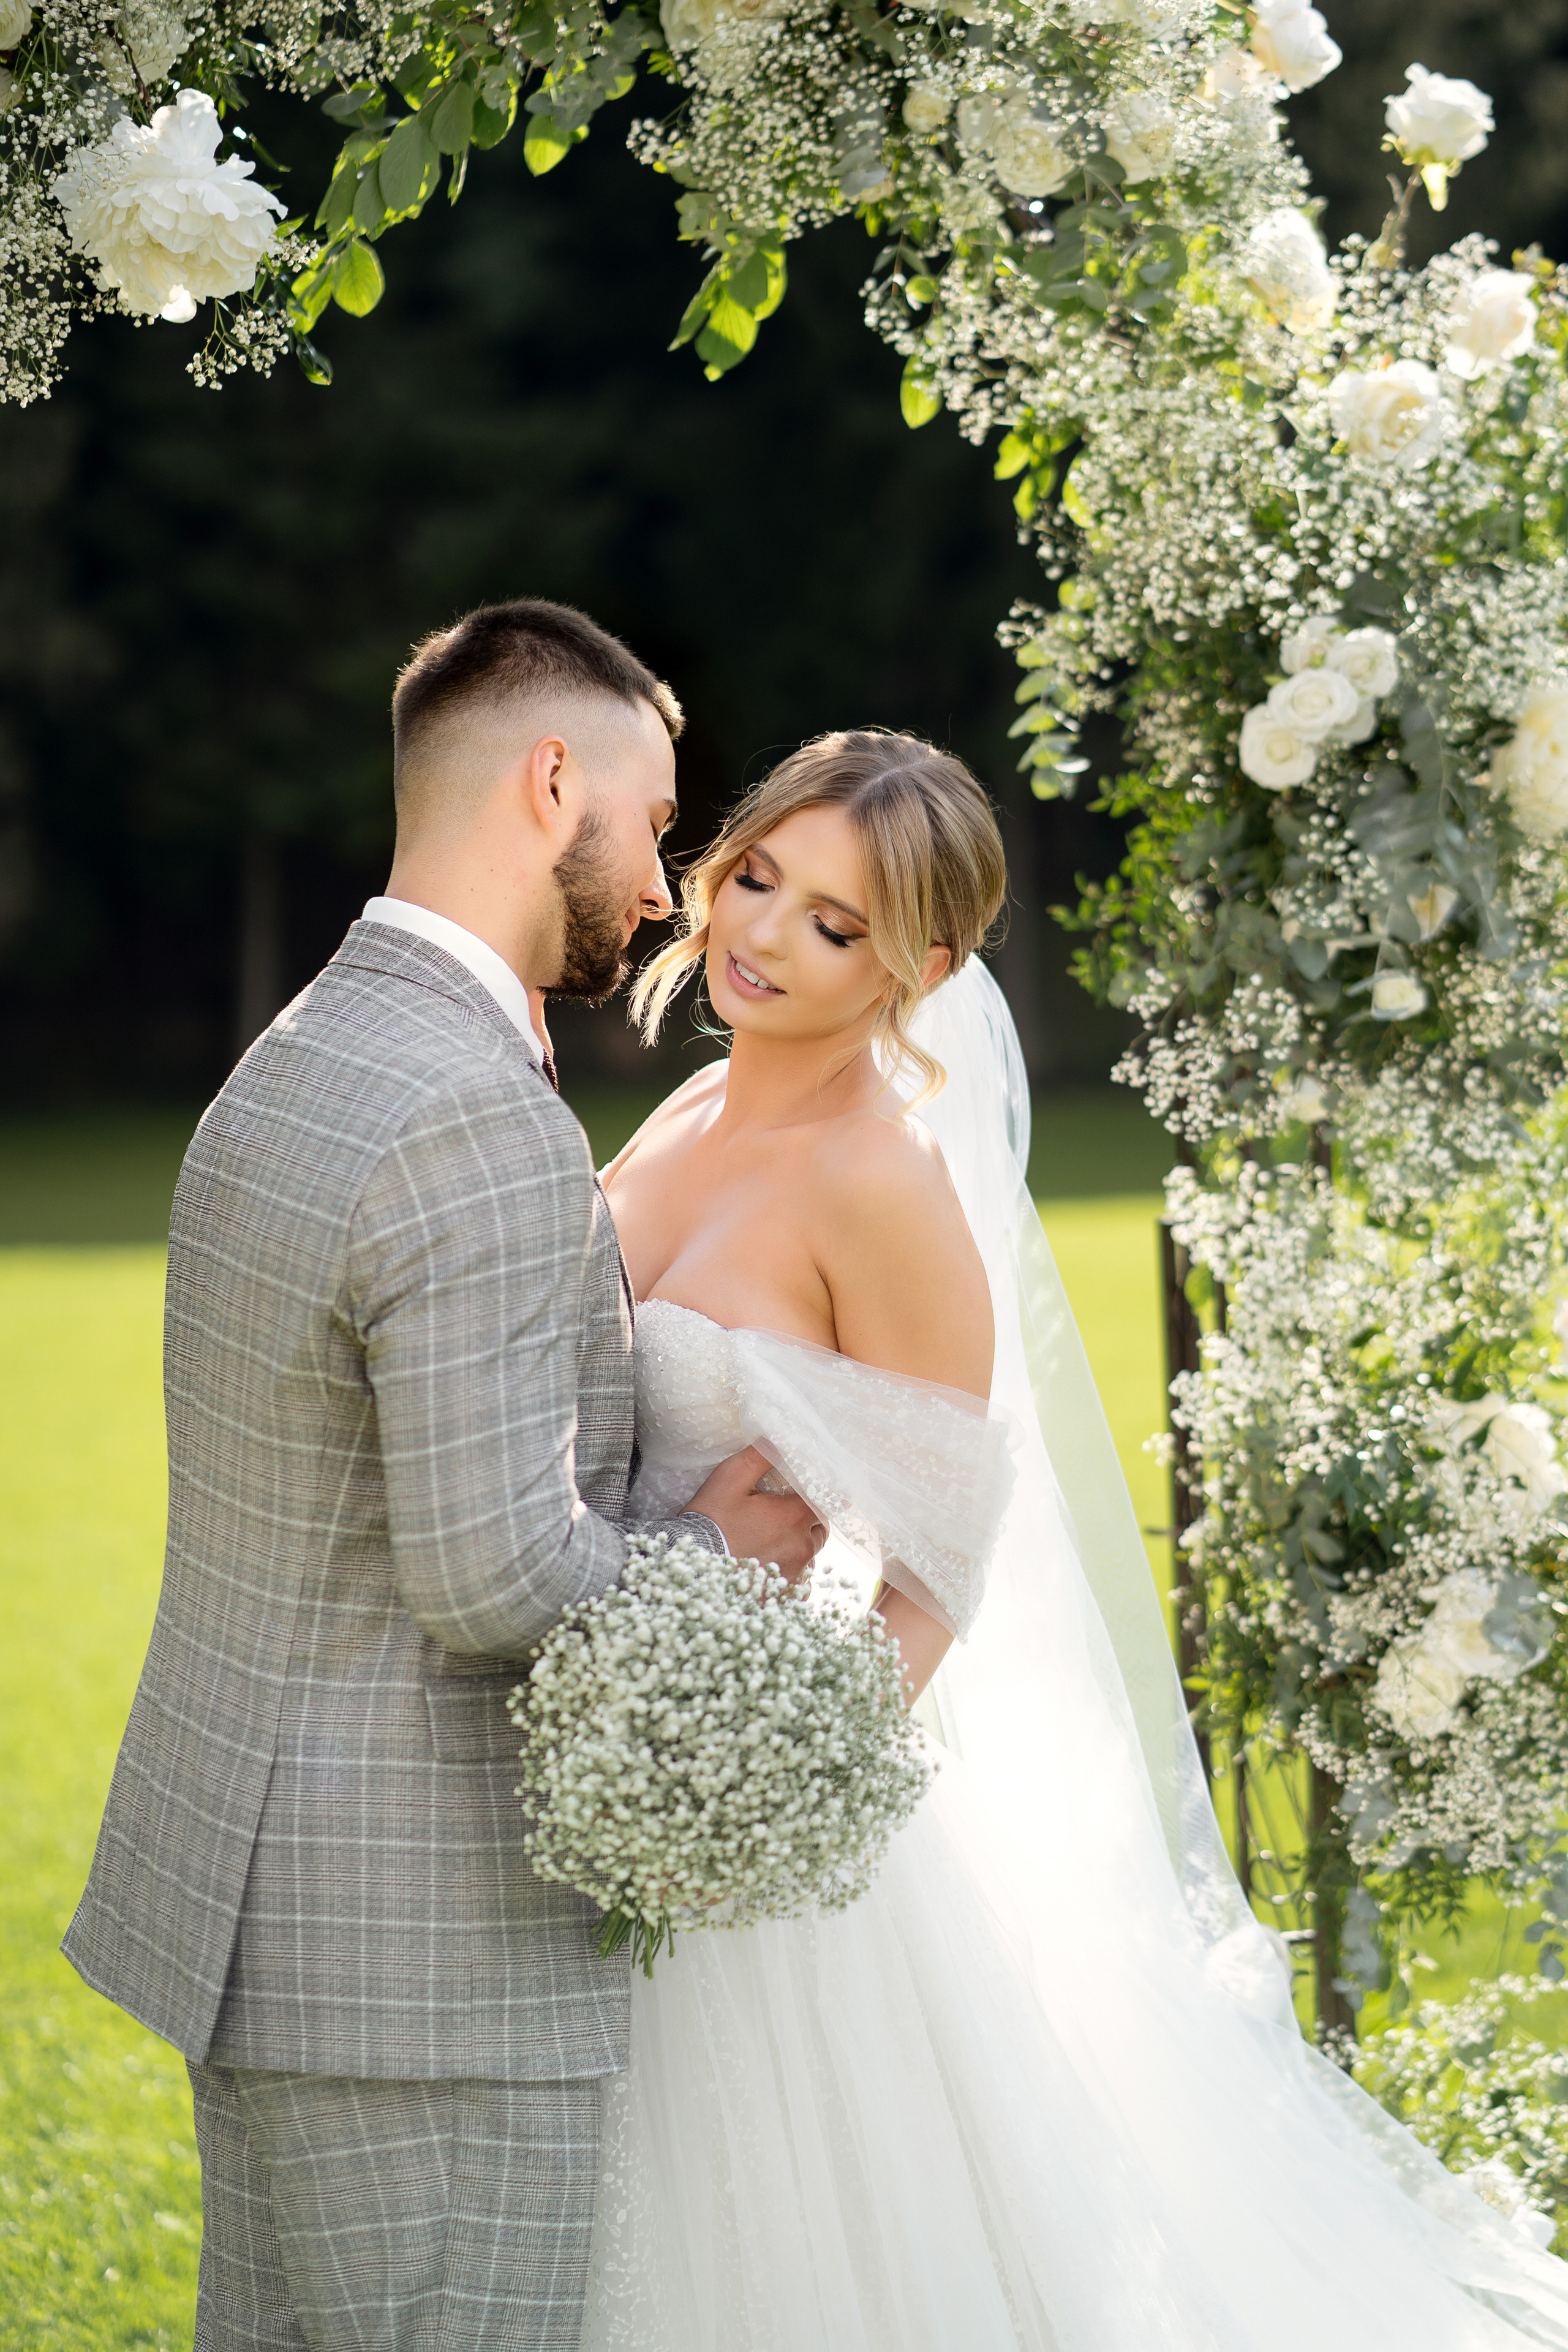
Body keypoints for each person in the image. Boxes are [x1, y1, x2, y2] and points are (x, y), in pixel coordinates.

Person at [592, 728, 1568, 2350]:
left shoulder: (883, 1184)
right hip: (618, 1727)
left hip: (771, 1811)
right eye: (757, 876)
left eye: (833, 924)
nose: (762, 936)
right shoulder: (692, 1107)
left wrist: (753, 1793)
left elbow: (938, 1562)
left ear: (922, 967)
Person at [61, 598, 823, 2352]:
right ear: (551, 784)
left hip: (266, 1916)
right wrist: (712, 1553)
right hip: (423, 1961)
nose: (669, 893)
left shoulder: (299, 1052)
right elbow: (492, 1575)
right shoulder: (471, 1110)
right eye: (652, 824)